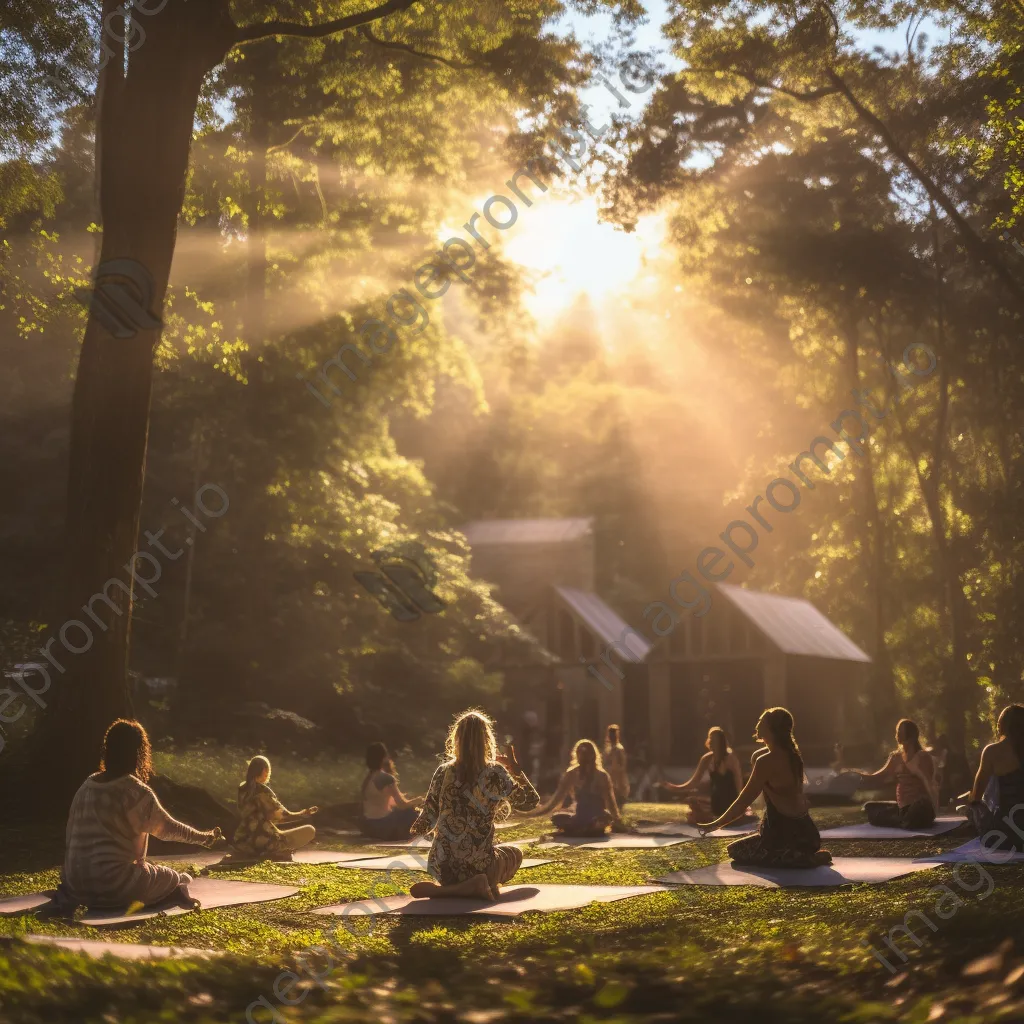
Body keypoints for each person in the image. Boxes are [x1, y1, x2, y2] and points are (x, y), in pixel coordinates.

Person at [60, 719, 222, 910]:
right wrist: (204, 838)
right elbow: (169, 829)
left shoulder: (86, 786)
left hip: (75, 883)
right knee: (175, 878)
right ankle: (176, 888)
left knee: (152, 870)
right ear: (139, 753)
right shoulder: (135, 792)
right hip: (113, 886)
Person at [409, 710, 539, 900]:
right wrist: (514, 768)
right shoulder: (495, 773)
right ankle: (478, 884)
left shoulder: (443, 772)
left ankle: (448, 890)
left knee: (462, 856)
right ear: (486, 740)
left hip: (444, 868)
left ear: (456, 739)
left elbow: (426, 821)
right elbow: (530, 801)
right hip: (480, 866)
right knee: (515, 853)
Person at [699, 707, 832, 868]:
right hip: (808, 834)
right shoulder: (792, 754)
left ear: (771, 729)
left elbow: (743, 801)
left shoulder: (766, 761)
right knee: (751, 848)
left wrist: (714, 824)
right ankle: (802, 854)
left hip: (784, 834)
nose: (757, 724)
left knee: (735, 851)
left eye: (761, 721)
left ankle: (799, 858)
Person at [844, 719, 937, 829]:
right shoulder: (895, 757)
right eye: (897, 731)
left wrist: (935, 805)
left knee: (916, 810)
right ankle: (903, 820)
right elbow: (877, 777)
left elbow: (929, 782)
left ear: (911, 735)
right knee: (870, 808)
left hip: (919, 806)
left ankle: (903, 820)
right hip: (903, 807)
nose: (897, 735)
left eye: (901, 732)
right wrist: (856, 774)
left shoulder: (922, 756)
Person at [524, 739, 626, 836]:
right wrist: (536, 812)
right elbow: (556, 800)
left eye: (587, 753)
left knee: (603, 820)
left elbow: (611, 803)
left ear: (593, 755)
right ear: (577, 755)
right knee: (558, 818)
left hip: (597, 816)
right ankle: (584, 829)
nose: (584, 756)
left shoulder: (602, 775)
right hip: (579, 816)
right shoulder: (571, 773)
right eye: (581, 753)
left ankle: (585, 829)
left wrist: (617, 821)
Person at [233, 755, 319, 859]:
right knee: (309, 830)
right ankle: (274, 851)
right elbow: (282, 816)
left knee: (278, 832)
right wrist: (303, 814)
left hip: (241, 840)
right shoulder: (262, 791)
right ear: (264, 770)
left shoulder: (242, 789)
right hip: (264, 841)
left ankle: (267, 851)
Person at [963, 704, 1024, 851]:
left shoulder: (992, 751)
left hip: (1004, 835)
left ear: (1001, 726)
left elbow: (976, 797)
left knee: (970, 809)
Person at [658, 726, 747, 823]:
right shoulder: (707, 758)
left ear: (721, 742)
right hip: (716, 802)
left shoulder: (730, 758)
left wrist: (739, 805)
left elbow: (738, 781)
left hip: (730, 801)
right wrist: (673, 787)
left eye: (714, 740)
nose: (710, 742)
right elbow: (693, 782)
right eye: (710, 739)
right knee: (693, 804)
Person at [360, 742, 423, 840]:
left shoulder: (367, 779)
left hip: (369, 825)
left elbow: (391, 803)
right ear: (384, 757)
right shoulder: (386, 778)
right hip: (383, 825)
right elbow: (402, 804)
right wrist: (419, 800)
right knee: (411, 812)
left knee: (401, 812)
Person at [604, 724, 630, 805]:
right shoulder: (608, 749)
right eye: (610, 734)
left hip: (618, 782)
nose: (612, 736)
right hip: (610, 780)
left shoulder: (619, 749)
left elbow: (623, 765)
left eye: (613, 734)